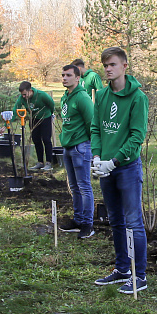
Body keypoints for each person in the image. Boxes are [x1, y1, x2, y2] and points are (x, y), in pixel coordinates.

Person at [91, 47, 149, 294]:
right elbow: (96, 129)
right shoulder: (102, 96)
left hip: (126, 168)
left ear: (125, 66)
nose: (107, 69)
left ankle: (140, 276)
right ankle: (122, 269)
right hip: (105, 169)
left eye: (112, 64)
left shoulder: (138, 98)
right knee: (115, 220)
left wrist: (114, 161)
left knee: (134, 222)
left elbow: (137, 137)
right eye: (105, 65)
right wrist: (96, 158)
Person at [57, 64, 95, 239]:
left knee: (84, 186)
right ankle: (78, 220)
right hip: (67, 147)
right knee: (74, 186)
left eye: (68, 75)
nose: (64, 78)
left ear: (77, 78)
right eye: (63, 75)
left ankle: (88, 224)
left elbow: (91, 124)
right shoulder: (66, 97)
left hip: (81, 147)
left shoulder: (82, 98)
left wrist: (92, 148)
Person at [13, 81, 55, 172]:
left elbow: (51, 104)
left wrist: (50, 114)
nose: (23, 96)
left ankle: (48, 162)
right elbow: (15, 110)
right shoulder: (22, 98)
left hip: (45, 118)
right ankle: (40, 162)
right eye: (22, 95)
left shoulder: (42, 95)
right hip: (33, 119)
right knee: (36, 140)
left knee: (46, 139)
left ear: (30, 90)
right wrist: (7, 123)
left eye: (25, 94)